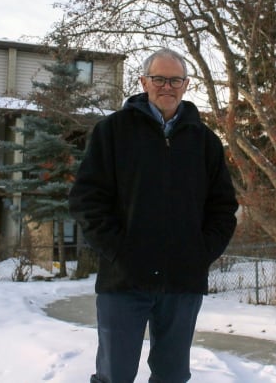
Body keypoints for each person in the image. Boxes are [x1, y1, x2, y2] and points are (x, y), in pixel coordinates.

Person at [69, 48, 238, 383]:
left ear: (186, 85)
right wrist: (119, 252)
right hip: (124, 281)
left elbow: (223, 208)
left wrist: (200, 253)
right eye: (159, 79)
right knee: (114, 375)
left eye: (175, 80)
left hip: (182, 283)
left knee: (173, 375)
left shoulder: (205, 142)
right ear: (143, 81)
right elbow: (87, 200)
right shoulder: (112, 132)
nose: (167, 86)